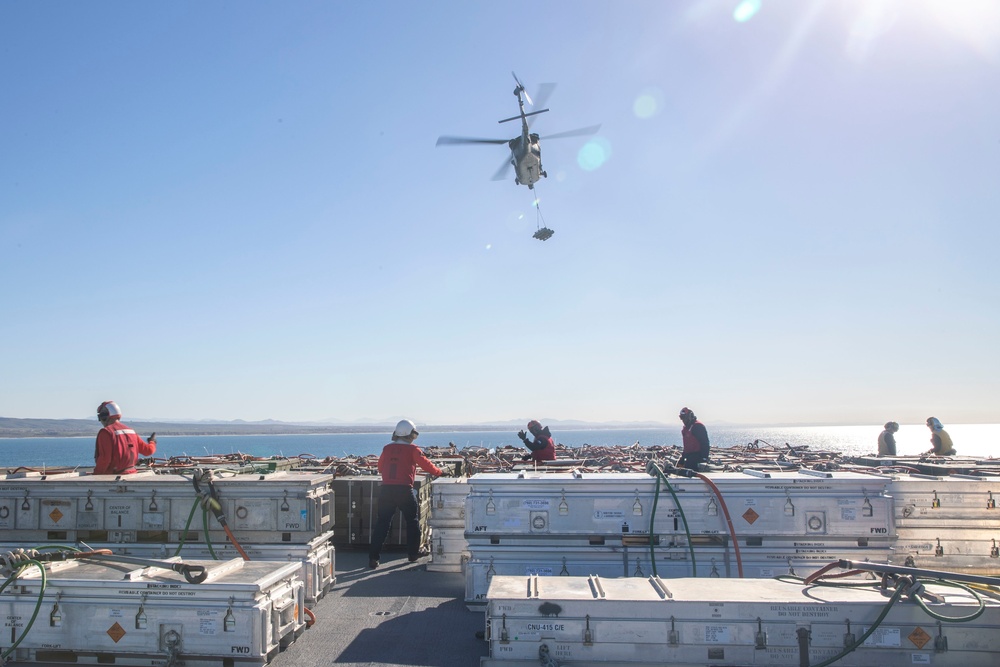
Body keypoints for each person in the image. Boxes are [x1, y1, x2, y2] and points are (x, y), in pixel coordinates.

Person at [368, 419, 442, 569]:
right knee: (412, 521)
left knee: (382, 523)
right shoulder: (413, 450)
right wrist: (439, 472)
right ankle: (412, 554)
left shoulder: (387, 448)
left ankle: (373, 558)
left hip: (386, 490)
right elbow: (426, 465)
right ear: (411, 435)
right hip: (404, 490)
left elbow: (381, 468)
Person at [94, 401, 157, 475]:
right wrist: (152, 442)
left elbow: (104, 460)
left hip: (114, 479)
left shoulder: (106, 432)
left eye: (100, 417)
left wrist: (95, 477)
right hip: (132, 476)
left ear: (104, 417)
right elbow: (148, 451)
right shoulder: (131, 432)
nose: (100, 421)